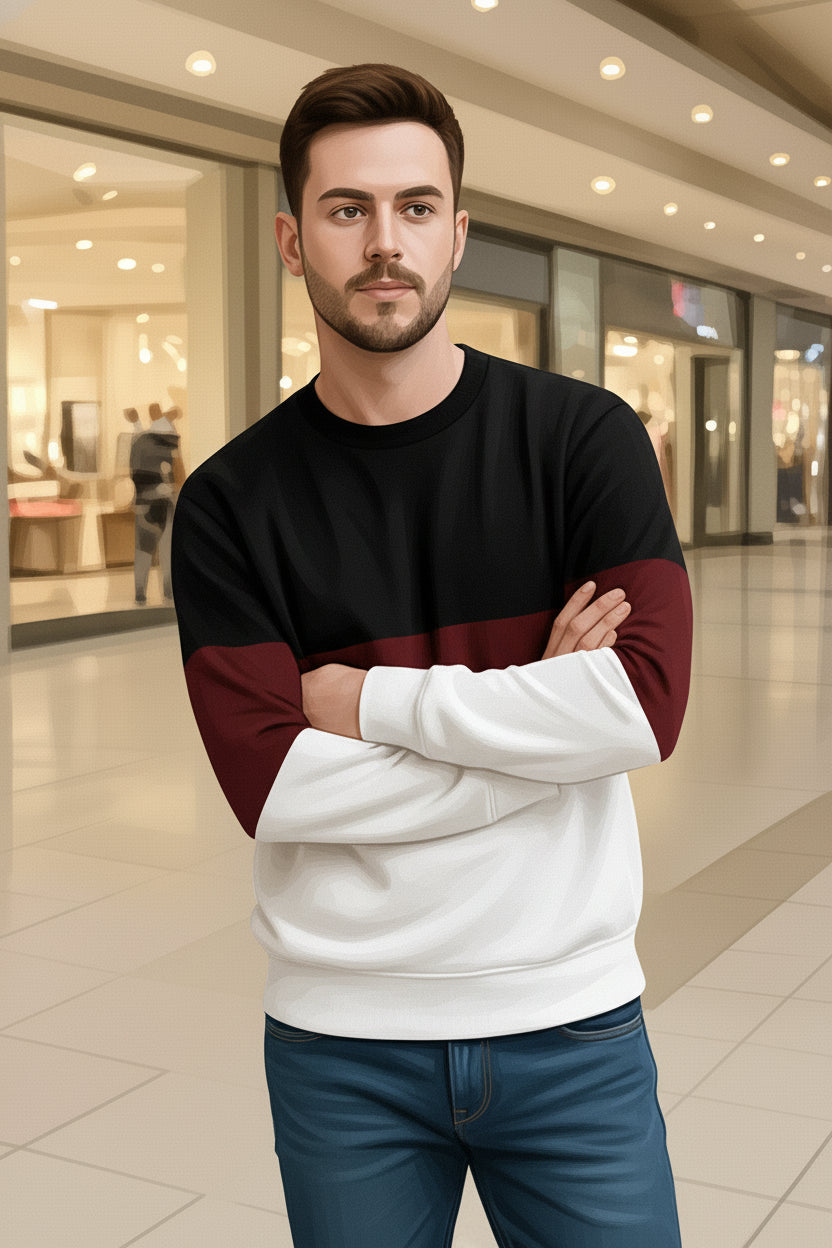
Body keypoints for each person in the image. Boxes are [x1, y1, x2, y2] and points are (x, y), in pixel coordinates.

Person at [171, 63, 692, 1248]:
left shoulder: (583, 442)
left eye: (415, 208)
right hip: (342, 1047)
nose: (384, 243)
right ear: (293, 239)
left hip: (573, 1027)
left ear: (458, 232)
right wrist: (539, 715)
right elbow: (275, 786)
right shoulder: (231, 503)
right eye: (347, 209)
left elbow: (640, 710)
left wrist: (367, 701)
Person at [130, 403, 183, 603]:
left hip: (153, 504)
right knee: (159, 550)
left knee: (152, 550)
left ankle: (145, 592)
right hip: (154, 504)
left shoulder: (141, 443)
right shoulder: (157, 446)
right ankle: (157, 591)